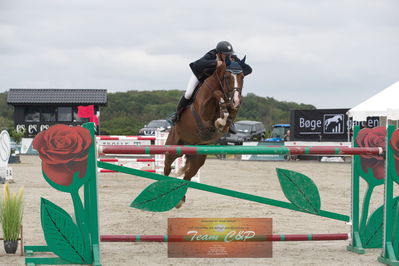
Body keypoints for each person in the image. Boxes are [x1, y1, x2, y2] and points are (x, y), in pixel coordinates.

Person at [168, 41, 252, 132]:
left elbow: (249, 69)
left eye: (229, 54)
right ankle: (176, 114)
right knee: (189, 93)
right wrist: (216, 63)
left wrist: (238, 72)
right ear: (219, 53)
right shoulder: (211, 55)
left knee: (231, 97)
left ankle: (230, 122)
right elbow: (197, 64)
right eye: (225, 54)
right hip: (200, 76)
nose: (228, 56)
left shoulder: (232, 58)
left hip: (217, 81)